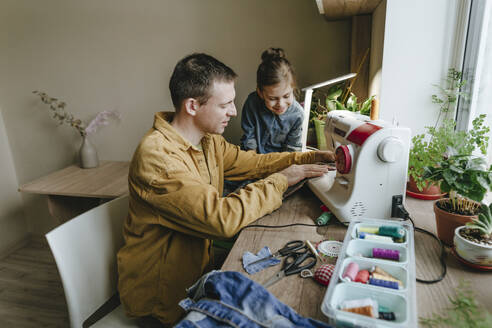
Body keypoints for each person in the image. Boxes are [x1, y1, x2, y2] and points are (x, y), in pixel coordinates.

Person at [117, 53, 334, 327]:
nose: (233, 111)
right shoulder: (158, 160)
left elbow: (253, 163)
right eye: (226, 105)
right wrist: (281, 180)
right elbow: (221, 219)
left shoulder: (208, 141)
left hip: (196, 277)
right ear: (193, 106)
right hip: (163, 304)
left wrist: (306, 159)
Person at [240, 47, 303, 153]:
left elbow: (292, 151)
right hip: (253, 158)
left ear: (293, 89)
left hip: (282, 163)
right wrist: (256, 165)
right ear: (260, 92)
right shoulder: (252, 103)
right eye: (273, 98)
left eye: (286, 96)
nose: (281, 104)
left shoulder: (297, 115)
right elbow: (249, 140)